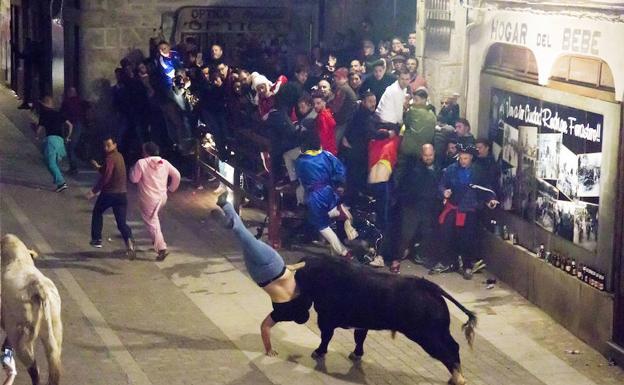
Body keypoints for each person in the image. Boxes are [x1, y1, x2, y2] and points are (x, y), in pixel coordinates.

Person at [210, 191, 312, 356]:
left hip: (277, 267)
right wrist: (269, 350)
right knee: (246, 242)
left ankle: (231, 219)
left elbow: (302, 270)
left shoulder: (303, 297)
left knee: (248, 239)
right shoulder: (282, 314)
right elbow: (264, 327)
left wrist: (302, 264)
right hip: (260, 277)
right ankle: (226, 208)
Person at [431, 144, 498, 279]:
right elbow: (441, 184)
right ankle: (448, 262)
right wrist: (444, 191)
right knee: (446, 235)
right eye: (461, 158)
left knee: (467, 239)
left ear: (471, 158)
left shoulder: (478, 171)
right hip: (453, 207)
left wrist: (490, 199)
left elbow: (486, 188)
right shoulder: (451, 169)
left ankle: (467, 265)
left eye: (465, 158)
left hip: (469, 209)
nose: (462, 161)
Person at [296, 130, 355, 259]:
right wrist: (339, 185)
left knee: (321, 225)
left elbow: (301, 179)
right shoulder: (327, 155)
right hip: (330, 190)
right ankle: (338, 211)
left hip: (315, 196)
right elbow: (341, 170)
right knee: (324, 215)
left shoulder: (301, 161)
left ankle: (343, 252)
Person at [392, 144, 441, 273]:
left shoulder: (438, 167)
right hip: (413, 207)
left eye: (430, 155)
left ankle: (419, 254)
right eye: (426, 155)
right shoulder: (414, 169)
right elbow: (408, 187)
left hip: (428, 207)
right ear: (421, 155)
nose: (428, 158)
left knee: (427, 233)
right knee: (405, 234)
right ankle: (396, 259)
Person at [129, 142, 181, 261]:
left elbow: (134, 179)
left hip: (148, 199)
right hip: (162, 197)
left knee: (152, 222)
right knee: (154, 220)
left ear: (146, 152)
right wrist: (171, 188)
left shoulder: (141, 163)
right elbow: (177, 175)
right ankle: (156, 241)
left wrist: (131, 170)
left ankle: (161, 247)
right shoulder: (165, 163)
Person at [86, 136, 135, 259]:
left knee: (97, 212)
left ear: (115, 145)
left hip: (110, 193)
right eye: (105, 145)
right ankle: (129, 242)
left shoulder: (110, 158)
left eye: (108, 145)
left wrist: (94, 191)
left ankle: (97, 239)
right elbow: (109, 170)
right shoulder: (120, 157)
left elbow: (106, 176)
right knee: (121, 222)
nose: (106, 148)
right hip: (122, 195)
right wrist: (98, 167)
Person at [395, 88, 437, 187]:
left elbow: (405, 123)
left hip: (408, 148)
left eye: (416, 100)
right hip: (422, 151)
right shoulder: (432, 115)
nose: (414, 102)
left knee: (400, 173)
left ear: (423, 100)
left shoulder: (412, 111)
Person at [342, 92, 377, 205]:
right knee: (354, 181)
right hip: (357, 153)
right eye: (370, 102)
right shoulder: (364, 116)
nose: (373, 104)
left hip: (354, 151)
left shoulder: (359, 112)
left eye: (374, 101)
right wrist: (387, 133)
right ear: (364, 102)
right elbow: (371, 133)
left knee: (352, 180)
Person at [36, 96, 73, 192]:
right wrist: (68, 137)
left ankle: (61, 183)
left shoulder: (44, 115)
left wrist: (37, 136)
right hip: (60, 141)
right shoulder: (58, 114)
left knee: (50, 162)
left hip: (51, 140)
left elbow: (39, 129)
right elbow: (70, 125)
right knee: (53, 162)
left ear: (44, 105)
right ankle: (58, 182)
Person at [61, 87, 90, 174]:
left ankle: (73, 168)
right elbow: (89, 106)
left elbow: (62, 114)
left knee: (70, 147)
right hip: (80, 124)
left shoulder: (66, 102)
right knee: (73, 145)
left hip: (73, 125)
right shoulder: (81, 101)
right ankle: (75, 165)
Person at [328, 68, 358, 149]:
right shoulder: (344, 88)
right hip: (345, 121)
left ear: (345, 78)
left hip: (343, 122)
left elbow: (336, 108)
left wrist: (328, 105)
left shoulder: (343, 89)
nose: (335, 80)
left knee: (333, 144)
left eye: (338, 78)